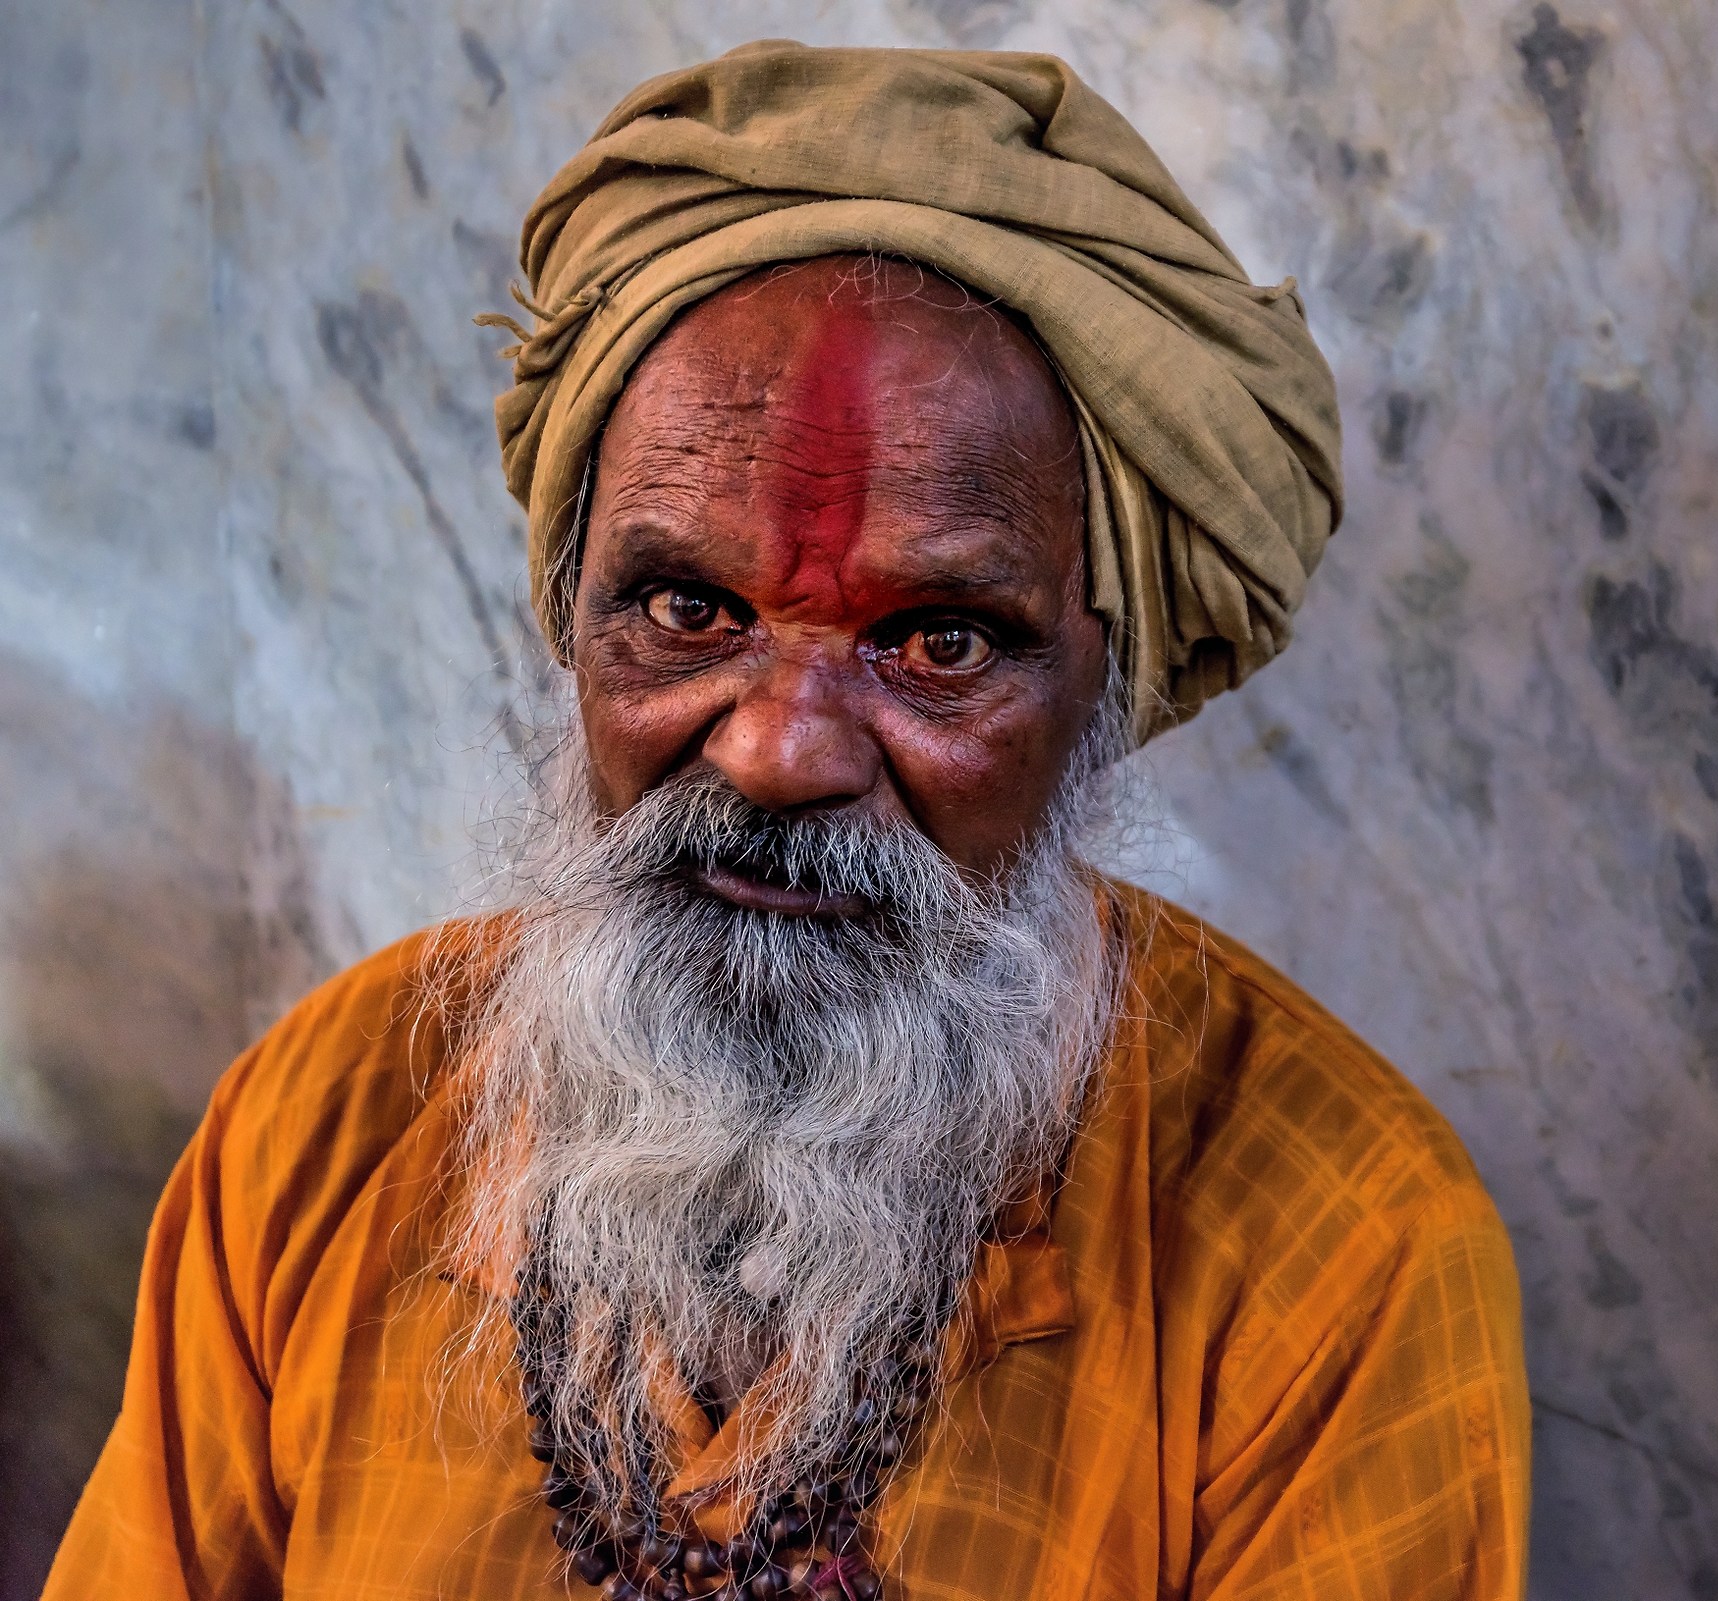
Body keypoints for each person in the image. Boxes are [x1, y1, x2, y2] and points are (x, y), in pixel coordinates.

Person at [44, 43, 1529, 1600]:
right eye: (689, 608)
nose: (774, 752)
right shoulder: (323, 1125)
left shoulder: (1342, 1247)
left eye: (937, 642)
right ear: (576, 617)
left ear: (1104, 682)